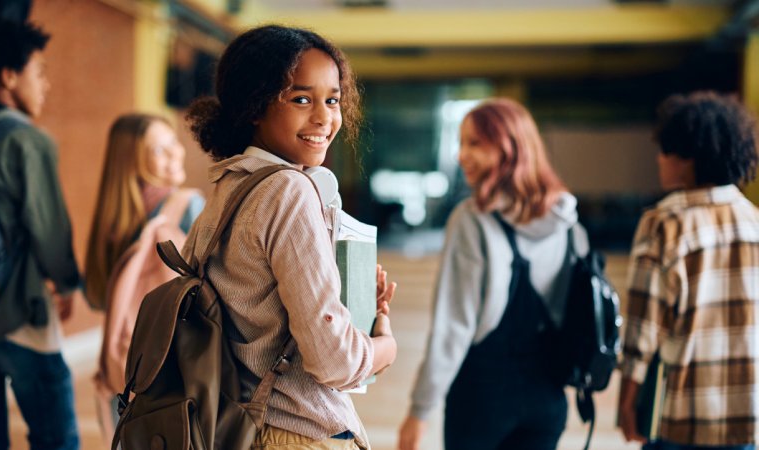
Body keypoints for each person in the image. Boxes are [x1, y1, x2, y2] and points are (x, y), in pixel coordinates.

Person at [183, 24, 397, 450]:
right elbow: (333, 360)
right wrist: (383, 345)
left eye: (332, 100)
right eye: (301, 99)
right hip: (294, 432)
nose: (324, 117)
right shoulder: (289, 190)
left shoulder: (230, 186)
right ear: (255, 106)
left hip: (232, 424)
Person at [398, 98, 589, 450]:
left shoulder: (471, 220)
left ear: (507, 149)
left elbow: (453, 327)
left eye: (474, 143)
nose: (461, 156)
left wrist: (418, 411)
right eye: (461, 143)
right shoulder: (568, 224)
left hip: (482, 397)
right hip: (548, 397)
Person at [0, 21, 82, 450]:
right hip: (22, 314)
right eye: (39, 71)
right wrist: (67, 284)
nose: (45, 84)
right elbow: (48, 229)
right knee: (56, 439)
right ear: (8, 77)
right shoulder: (28, 140)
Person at [618, 91, 759, 450]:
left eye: (666, 150)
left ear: (689, 158)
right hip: (749, 416)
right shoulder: (754, 222)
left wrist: (627, 400)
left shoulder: (664, 223)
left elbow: (642, 328)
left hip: (683, 417)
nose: (659, 160)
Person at [84, 113, 205, 443]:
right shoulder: (188, 207)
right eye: (159, 149)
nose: (176, 153)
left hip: (121, 373)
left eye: (173, 144)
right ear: (132, 159)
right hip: (171, 373)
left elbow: (95, 297)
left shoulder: (111, 223)